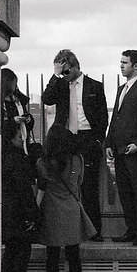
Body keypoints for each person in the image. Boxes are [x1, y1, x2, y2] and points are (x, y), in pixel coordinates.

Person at [41, 49, 109, 242]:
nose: (65, 75)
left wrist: (97, 141)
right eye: (61, 72)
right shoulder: (61, 84)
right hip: (64, 137)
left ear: (76, 67)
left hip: (87, 138)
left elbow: (103, 117)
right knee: (62, 182)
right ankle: (67, 229)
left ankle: (94, 230)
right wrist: (56, 75)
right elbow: (47, 99)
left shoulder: (95, 86)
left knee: (89, 185)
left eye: (66, 71)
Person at [37, 129, 96, 272]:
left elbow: (41, 188)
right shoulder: (77, 161)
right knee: (74, 256)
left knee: (52, 256)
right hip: (71, 210)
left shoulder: (42, 163)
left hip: (51, 211)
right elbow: (79, 183)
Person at [105, 49, 137, 246]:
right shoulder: (121, 88)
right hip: (119, 148)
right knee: (125, 191)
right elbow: (115, 118)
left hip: (135, 149)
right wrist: (108, 142)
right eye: (121, 62)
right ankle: (131, 229)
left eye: (125, 62)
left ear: (135, 66)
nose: (121, 65)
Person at [1, 68, 42, 272]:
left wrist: (25, 120)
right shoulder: (15, 159)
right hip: (17, 213)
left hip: (11, 211)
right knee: (18, 249)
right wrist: (33, 214)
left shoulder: (19, 101)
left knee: (14, 250)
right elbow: (24, 191)